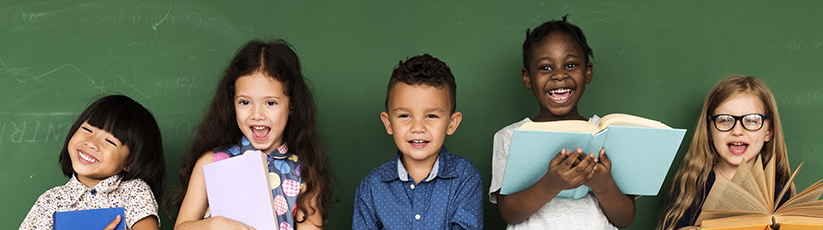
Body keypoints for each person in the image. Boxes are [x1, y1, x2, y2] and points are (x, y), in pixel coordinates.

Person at [489, 16, 636, 229]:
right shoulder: (510, 136)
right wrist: (551, 184)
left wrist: (602, 184)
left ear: (588, 72)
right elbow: (509, 213)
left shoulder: (608, 133)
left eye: (570, 65)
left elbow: (625, 218)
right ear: (527, 77)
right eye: (546, 67)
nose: (559, 75)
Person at [170, 39, 333, 230]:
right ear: (232, 103)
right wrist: (214, 225)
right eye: (245, 102)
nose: (257, 115)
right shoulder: (211, 162)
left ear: (292, 105)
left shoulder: (303, 173)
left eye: (270, 103)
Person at [352, 54, 483, 229]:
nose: (418, 127)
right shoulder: (371, 187)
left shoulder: (465, 178)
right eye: (405, 116)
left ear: (451, 124)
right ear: (388, 123)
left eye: (431, 116)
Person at [658, 75, 794, 230]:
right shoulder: (691, 185)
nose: (737, 131)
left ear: (769, 132)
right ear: (709, 130)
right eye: (724, 120)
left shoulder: (778, 196)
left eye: (751, 120)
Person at [20, 95, 165, 230]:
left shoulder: (133, 191)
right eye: (87, 130)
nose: (91, 143)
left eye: (109, 141)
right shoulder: (50, 201)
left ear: (130, 162)